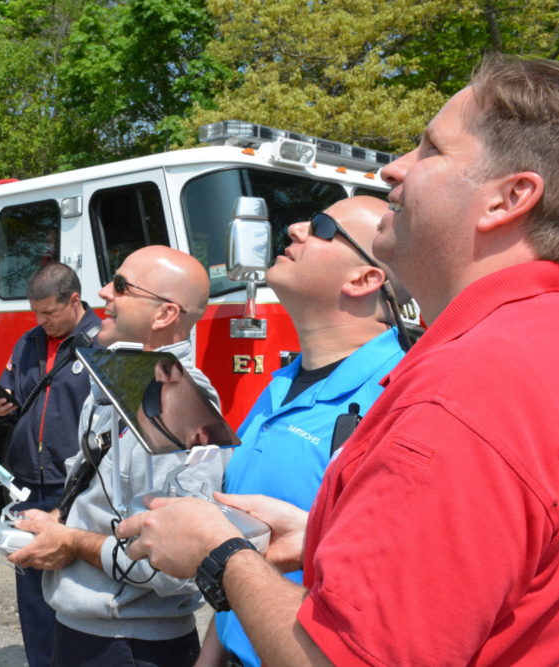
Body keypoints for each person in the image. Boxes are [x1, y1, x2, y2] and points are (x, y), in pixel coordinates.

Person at [118, 54, 559, 665]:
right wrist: (319, 539)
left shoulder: (465, 390)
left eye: (430, 149)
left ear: (509, 198)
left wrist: (219, 555)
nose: (395, 169)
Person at [200, 196, 409, 667]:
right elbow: (250, 546)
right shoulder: (281, 382)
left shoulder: (397, 399)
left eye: (321, 227)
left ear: (364, 279)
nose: (294, 228)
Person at [8, 245, 227, 666]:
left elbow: (168, 564)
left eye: (122, 286)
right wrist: (57, 520)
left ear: (164, 315)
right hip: (92, 631)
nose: (104, 291)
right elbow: (100, 497)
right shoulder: (125, 380)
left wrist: (69, 541)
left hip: (130, 644)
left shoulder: (172, 398)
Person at [0, 262, 101, 667]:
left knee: (77, 590)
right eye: (36, 313)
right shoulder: (29, 343)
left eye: (49, 313)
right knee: (32, 593)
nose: (42, 321)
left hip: (76, 486)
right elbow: (16, 401)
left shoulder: (102, 342)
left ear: (75, 301)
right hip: (26, 484)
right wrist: (1, 410)